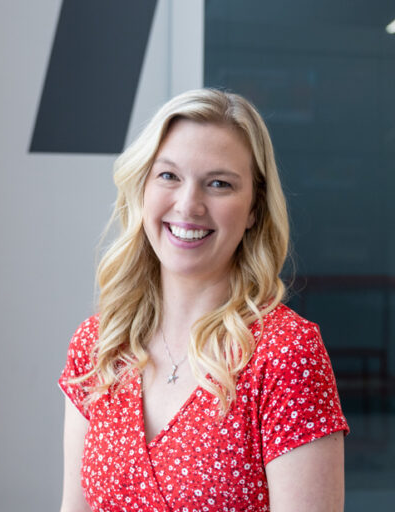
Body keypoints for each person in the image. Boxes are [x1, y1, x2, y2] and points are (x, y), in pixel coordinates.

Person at [58, 88, 349, 512]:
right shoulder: (99, 345)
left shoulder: (286, 355)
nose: (189, 204)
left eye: (219, 184)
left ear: (253, 209)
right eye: (169, 176)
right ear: (142, 188)